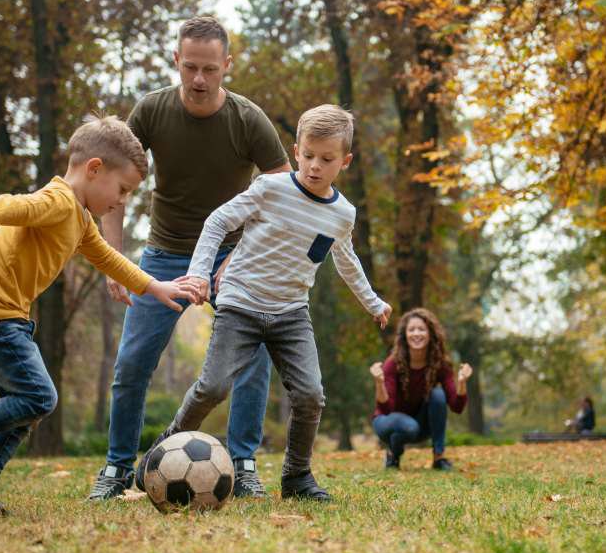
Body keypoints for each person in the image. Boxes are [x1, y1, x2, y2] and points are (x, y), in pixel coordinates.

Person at [0, 115, 200, 519]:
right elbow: (15, 205)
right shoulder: (58, 201)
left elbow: (107, 258)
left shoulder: (78, 218)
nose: (122, 200)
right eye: (123, 188)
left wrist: (154, 286)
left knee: (23, 409)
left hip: (0, 319)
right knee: (39, 396)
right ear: (94, 169)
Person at [141, 104, 391, 502]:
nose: (314, 166)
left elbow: (346, 260)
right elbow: (217, 222)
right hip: (240, 304)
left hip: (291, 314)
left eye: (326, 160)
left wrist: (373, 301)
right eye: (308, 155)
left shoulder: (342, 214)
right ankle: (162, 451)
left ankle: (296, 478)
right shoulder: (269, 189)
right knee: (213, 387)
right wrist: (200, 274)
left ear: (345, 161)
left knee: (310, 395)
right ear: (296, 151)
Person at [89, 16, 292, 501]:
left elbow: (284, 191)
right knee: (133, 360)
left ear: (227, 66)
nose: (199, 80)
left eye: (210, 69)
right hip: (166, 252)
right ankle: (117, 469)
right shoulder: (152, 111)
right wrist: (115, 260)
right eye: (190, 68)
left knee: (253, 359)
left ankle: (243, 463)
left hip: (233, 257)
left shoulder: (248, 120)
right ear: (176, 62)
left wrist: (242, 254)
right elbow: (113, 186)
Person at [370, 308, 472, 471]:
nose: (416, 333)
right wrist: (379, 383)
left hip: (418, 425)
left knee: (437, 394)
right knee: (408, 426)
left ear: (430, 334)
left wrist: (462, 382)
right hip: (388, 420)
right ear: (405, 335)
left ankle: (439, 458)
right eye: (412, 330)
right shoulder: (393, 363)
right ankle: (393, 454)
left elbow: (456, 407)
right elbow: (386, 408)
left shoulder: (440, 365)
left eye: (421, 329)